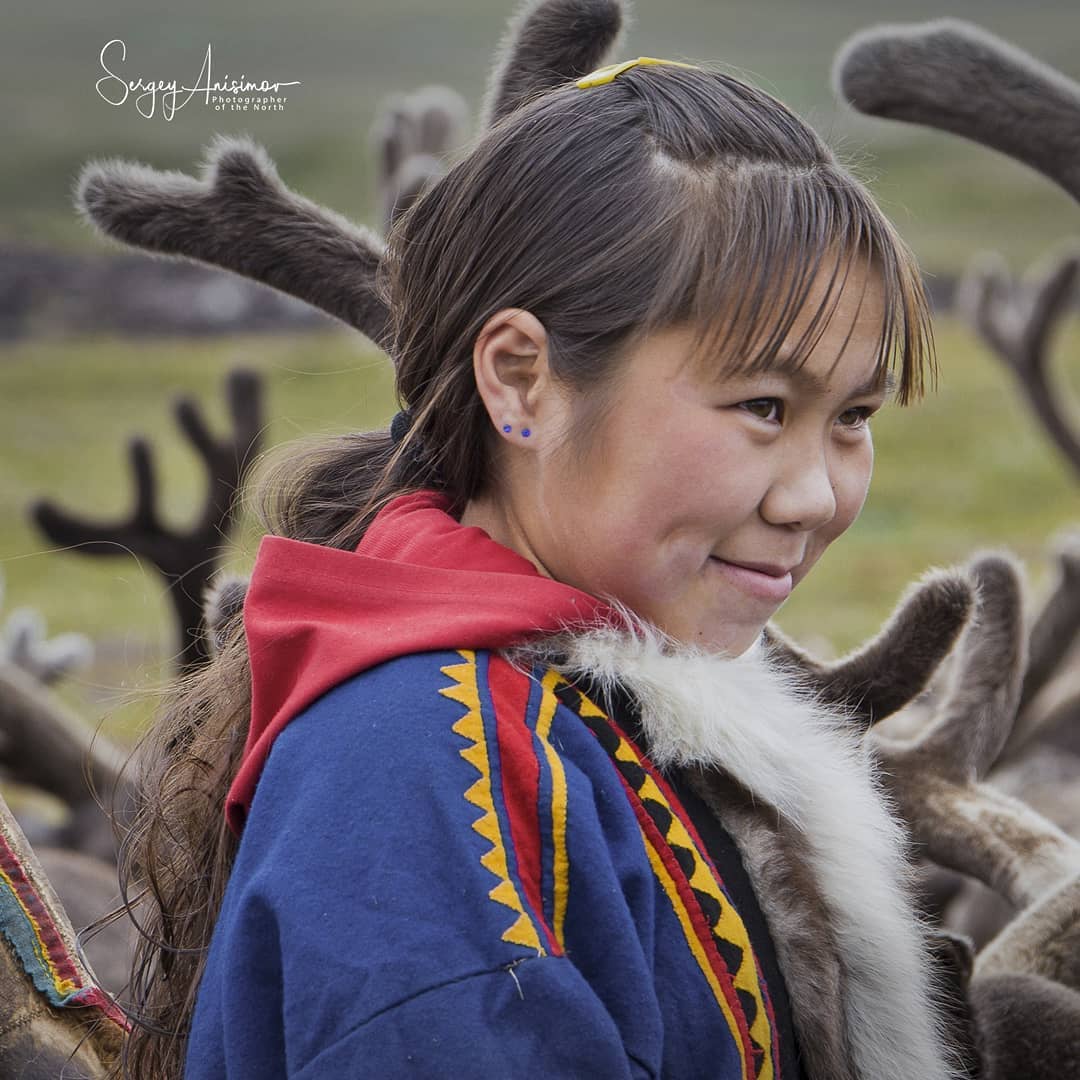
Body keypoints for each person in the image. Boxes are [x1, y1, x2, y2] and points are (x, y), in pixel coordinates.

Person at [120, 57, 958, 1080]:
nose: (817, 497)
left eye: (854, 420)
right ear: (523, 381)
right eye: (765, 409)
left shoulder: (568, 717)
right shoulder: (420, 769)